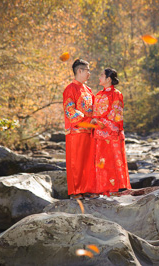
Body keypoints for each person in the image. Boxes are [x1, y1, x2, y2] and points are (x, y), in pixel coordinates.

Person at [91, 68, 131, 196]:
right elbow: (94, 113)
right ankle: (102, 190)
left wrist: (102, 123)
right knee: (101, 162)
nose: (99, 77)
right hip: (99, 133)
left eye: (102, 75)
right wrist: (95, 121)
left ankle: (114, 191)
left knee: (112, 162)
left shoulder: (116, 94)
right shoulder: (98, 94)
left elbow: (116, 114)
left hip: (112, 134)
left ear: (108, 79)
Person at [63, 59, 97, 199]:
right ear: (79, 71)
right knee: (76, 162)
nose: (89, 73)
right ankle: (76, 192)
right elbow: (70, 111)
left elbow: (95, 108)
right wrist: (88, 120)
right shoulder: (70, 89)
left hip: (89, 131)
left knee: (89, 162)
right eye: (87, 70)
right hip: (76, 132)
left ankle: (88, 189)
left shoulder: (88, 90)